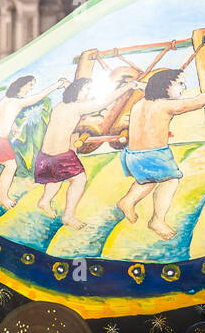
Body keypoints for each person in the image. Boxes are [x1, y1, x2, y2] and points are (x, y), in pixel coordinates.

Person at [115, 69, 205, 239]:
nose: (184, 86)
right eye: (180, 83)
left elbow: (150, 89)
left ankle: (127, 201)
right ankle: (157, 220)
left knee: (148, 180)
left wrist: (142, 86)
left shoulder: (141, 103)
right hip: (155, 154)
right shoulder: (166, 105)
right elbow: (196, 102)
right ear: (164, 87)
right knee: (170, 181)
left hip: (132, 156)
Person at [35, 76, 134, 228]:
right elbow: (103, 103)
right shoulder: (76, 108)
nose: (88, 94)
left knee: (56, 177)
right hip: (59, 155)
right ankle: (68, 215)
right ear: (77, 91)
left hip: (45, 155)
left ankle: (44, 201)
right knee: (79, 180)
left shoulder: (61, 105)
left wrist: (70, 85)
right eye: (87, 90)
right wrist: (127, 87)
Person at [0, 74, 68, 207]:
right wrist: (57, 85)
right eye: (29, 85)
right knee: (11, 166)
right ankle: (2, 196)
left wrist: (13, 127)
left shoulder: (6, 100)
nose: (30, 89)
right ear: (21, 85)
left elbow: (1, 116)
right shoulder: (17, 102)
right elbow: (38, 97)